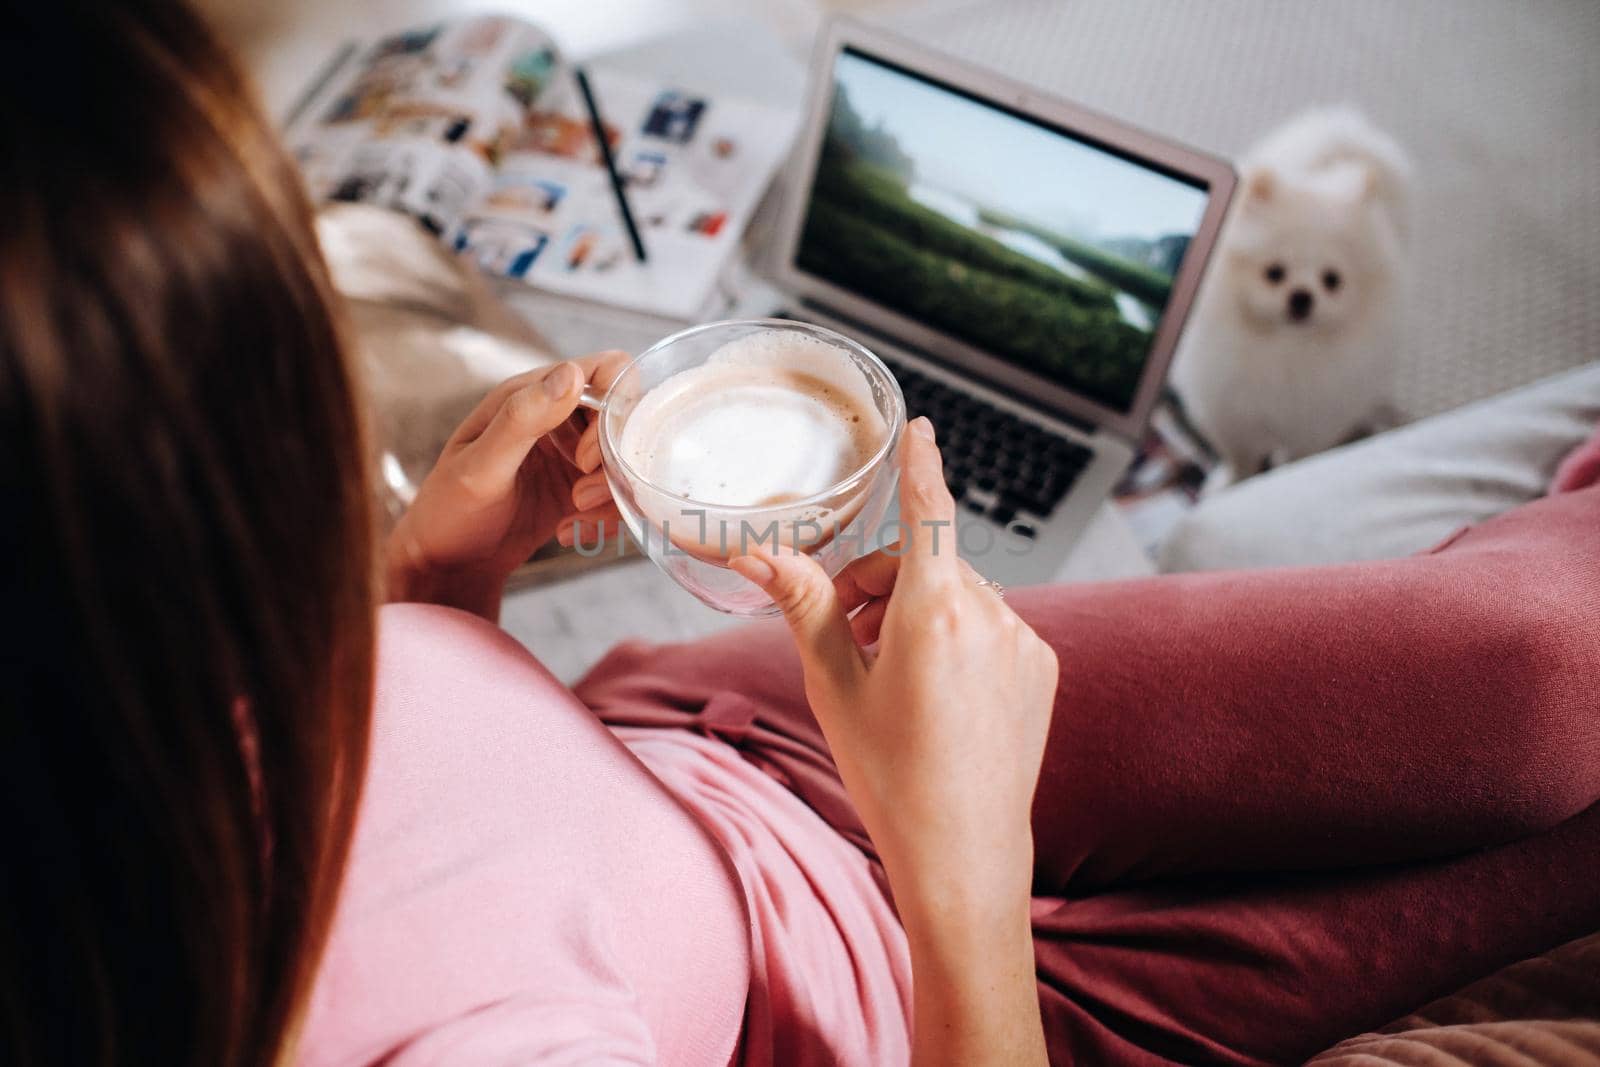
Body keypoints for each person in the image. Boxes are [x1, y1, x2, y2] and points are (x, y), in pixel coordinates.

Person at [3, 3, 1598, 1065]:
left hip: (730, 740)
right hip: (954, 1000)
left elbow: (413, 831)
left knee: (1541, 681)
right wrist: (961, 862)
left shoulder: (130, 730)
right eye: (289, 419)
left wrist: (438, 589)